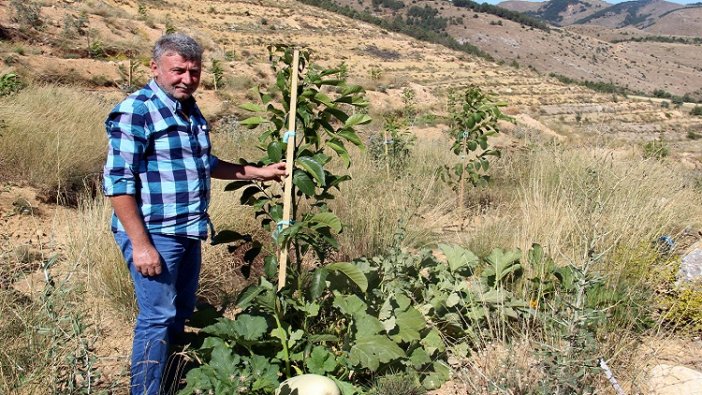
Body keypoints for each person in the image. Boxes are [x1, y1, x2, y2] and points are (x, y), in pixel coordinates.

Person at [102, 33, 286, 394]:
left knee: (180, 311)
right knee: (156, 317)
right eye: (178, 70)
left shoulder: (188, 107)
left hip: (188, 230)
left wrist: (260, 172)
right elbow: (118, 182)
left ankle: (170, 379)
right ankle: (146, 390)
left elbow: (206, 164)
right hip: (154, 233)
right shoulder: (136, 110)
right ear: (154, 68)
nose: (187, 78)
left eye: (194, 71)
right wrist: (141, 245)